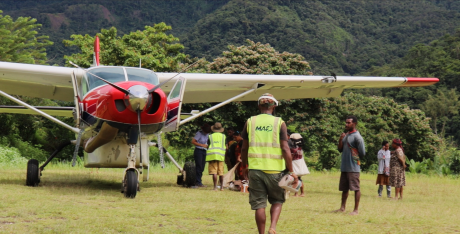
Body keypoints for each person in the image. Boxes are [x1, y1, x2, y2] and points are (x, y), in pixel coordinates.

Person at [241, 93, 298, 234]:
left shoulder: (250, 121)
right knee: (277, 200)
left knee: (259, 205)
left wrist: (244, 167)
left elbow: (243, 147)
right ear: (274, 107)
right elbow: (285, 148)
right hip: (275, 171)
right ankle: (272, 227)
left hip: (255, 169)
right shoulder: (279, 122)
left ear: (259, 106)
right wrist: (291, 171)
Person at [334, 115, 365, 216]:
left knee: (356, 188)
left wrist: (354, 155)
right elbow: (340, 149)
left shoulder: (357, 137)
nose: (346, 124)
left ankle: (356, 210)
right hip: (345, 167)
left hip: (353, 168)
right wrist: (340, 139)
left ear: (354, 124)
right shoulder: (346, 135)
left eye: (348, 123)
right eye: (346, 122)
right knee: (344, 188)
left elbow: (363, 153)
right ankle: (342, 208)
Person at [206, 122, 227, 191]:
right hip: (221, 155)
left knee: (214, 172)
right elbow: (226, 146)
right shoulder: (224, 136)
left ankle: (215, 187)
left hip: (212, 155)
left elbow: (208, 145)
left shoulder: (210, 136)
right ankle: (221, 187)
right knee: (221, 172)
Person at [289, 133, 305, 197]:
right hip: (300, 164)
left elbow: (291, 157)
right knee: (299, 179)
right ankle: (301, 193)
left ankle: (295, 193)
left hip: (294, 164)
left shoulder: (293, 148)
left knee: (294, 178)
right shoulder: (300, 148)